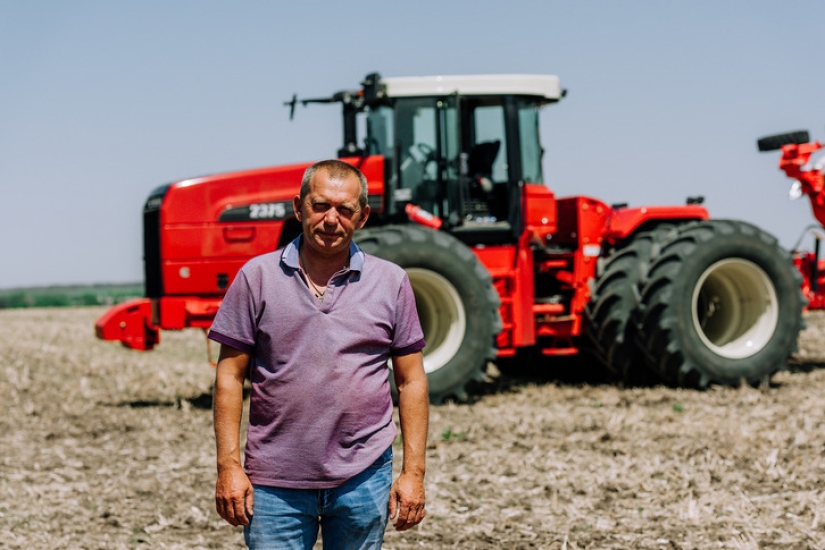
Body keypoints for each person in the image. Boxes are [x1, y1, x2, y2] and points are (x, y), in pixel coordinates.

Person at [209, 159, 429, 549]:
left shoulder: (391, 281)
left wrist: (414, 473)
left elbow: (411, 380)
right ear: (298, 208)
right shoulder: (256, 277)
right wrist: (228, 467)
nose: (331, 219)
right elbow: (229, 376)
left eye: (345, 210)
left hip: (364, 476)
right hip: (276, 481)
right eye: (320, 206)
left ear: (362, 216)